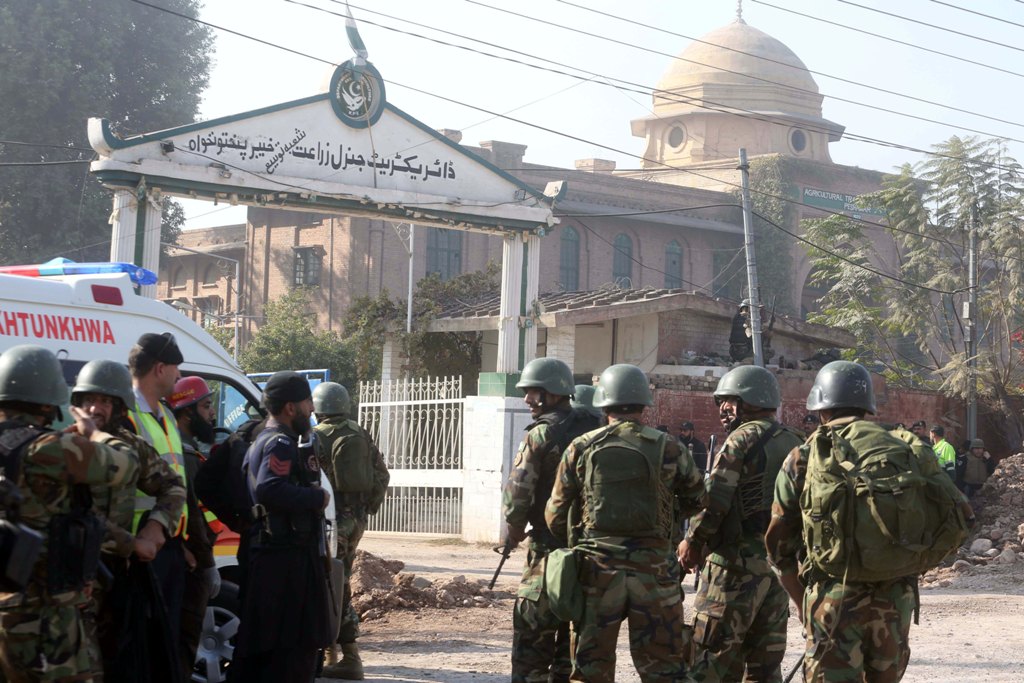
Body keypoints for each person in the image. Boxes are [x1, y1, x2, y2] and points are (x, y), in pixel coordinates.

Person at [765, 361, 972, 682]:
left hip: (832, 601)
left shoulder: (804, 456)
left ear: (821, 408)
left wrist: (804, 605)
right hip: (895, 601)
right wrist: (913, 562)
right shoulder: (903, 447)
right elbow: (961, 515)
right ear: (867, 407)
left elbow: (778, 548)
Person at [545, 363, 704, 682]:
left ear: (604, 403)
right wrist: (670, 528)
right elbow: (699, 500)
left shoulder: (582, 447)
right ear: (644, 404)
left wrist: (580, 540)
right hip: (655, 574)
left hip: (597, 574)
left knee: (591, 670)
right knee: (665, 671)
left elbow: (555, 514)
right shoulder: (670, 447)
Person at [0, 345, 138, 681]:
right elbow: (125, 464)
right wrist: (94, 433)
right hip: (43, 612)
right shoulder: (47, 448)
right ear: (48, 403)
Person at [678, 366, 803, 681]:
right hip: (777, 571)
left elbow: (715, 500)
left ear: (751, 400)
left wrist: (692, 541)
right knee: (765, 668)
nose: (722, 408)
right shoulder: (797, 440)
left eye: (729, 401)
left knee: (708, 664)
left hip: (733, 568)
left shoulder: (741, 439)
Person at [70, 359, 187, 680]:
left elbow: (173, 486)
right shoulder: (65, 446)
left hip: (117, 581)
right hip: (73, 584)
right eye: (89, 400)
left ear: (120, 407)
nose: (95, 408)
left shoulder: (130, 446)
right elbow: (77, 519)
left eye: (105, 401)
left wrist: (156, 526)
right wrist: (132, 544)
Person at [502, 358, 599, 683]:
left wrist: (514, 530)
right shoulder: (596, 428)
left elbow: (518, 493)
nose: (527, 399)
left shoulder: (542, 433)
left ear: (554, 392)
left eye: (533, 392)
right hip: (590, 553)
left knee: (532, 639)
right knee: (571, 648)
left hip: (548, 550)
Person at [233, 371, 333, 682]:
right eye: (307, 402)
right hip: (283, 563)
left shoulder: (270, 440)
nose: (312, 409)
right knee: (290, 652)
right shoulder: (279, 443)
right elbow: (270, 488)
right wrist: (317, 497)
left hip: (281, 559)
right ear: (290, 407)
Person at [313, 381, 390, 681]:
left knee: (333, 585)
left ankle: (349, 657)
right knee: (338, 579)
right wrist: (366, 508)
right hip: (355, 519)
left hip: (331, 521)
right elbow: (382, 474)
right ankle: (333, 654)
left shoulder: (316, 437)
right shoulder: (359, 432)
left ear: (318, 408)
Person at [125, 332, 190, 677]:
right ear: (160, 369)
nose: (180, 376)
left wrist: (185, 542)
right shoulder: (127, 415)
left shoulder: (165, 414)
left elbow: (180, 484)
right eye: (176, 368)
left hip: (170, 546)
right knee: (141, 651)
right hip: (138, 551)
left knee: (165, 646)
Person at [168, 376, 222, 678]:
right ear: (187, 412)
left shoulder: (180, 447)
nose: (212, 413)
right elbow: (193, 514)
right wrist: (207, 563)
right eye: (206, 405)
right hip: (190, 564)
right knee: (183, 645)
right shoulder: (185, 455)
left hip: (181, 558)